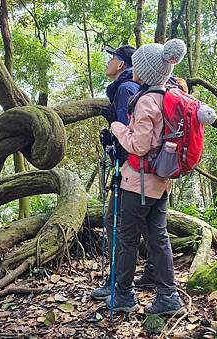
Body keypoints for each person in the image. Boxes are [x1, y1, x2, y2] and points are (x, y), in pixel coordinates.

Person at [106, 39, 187, 315]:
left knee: (127, 239)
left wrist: (117, 128)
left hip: (138, 184)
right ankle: (168, 297)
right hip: (161, 182)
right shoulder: (170, 98)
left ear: (145, 71)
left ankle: (125, 296)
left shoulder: (147, 101)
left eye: (137, 65)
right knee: (158, 237)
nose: (134, 70)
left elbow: (139, 145)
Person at [91, 45, 157, 301]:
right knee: (150, 224)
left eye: (112, 58)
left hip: (131, 170)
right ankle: (151, 273)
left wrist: (114, 136)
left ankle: (118, 284)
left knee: (114, 222)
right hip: (149, 170)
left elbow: (129, 137)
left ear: (121, 64)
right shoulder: (135, 87)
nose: (108, 61)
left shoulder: (125, 89)